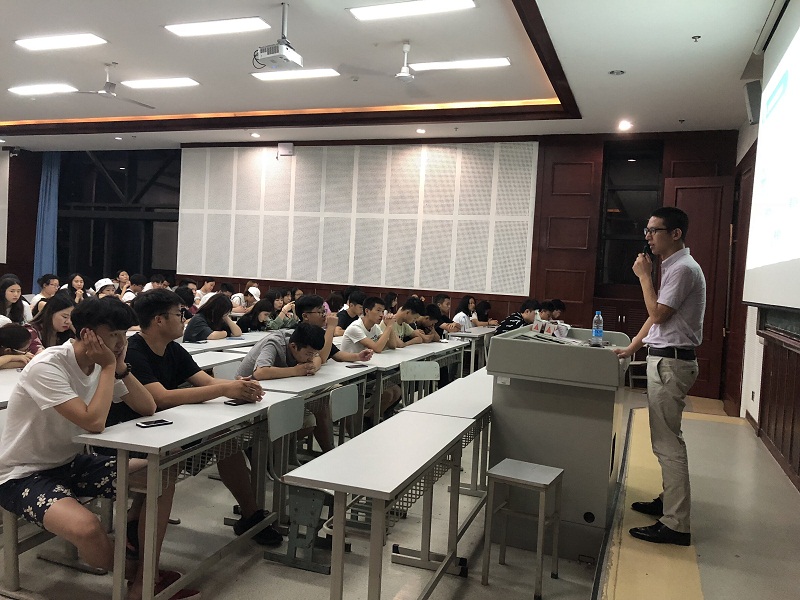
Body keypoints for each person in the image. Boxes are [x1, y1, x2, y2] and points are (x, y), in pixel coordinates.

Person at [0, 297, 195, 600]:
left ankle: (145, 580)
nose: (121, 342)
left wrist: (120, 368)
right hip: (22, 475)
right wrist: (108, 368)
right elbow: (94, 422)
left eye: (124, 334)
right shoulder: (48, 366)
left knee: (164, 468)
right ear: (87, 333)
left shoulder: (101, 365)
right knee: (89, 529)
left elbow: (147, 406)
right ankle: (141, 576)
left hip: (71, 463)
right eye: (113, 334)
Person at [117, 289, 283, 548]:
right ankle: (135, 523)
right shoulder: (134, 352)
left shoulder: (172, 348)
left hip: (167, 427)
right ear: (159, 320)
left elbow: (205, 381)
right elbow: (160, 398)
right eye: (179, 314)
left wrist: (238, 386)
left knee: (224, 437)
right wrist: (224, 389)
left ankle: (250, 514)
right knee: (169, 458)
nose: (184, 319)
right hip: (132, 434)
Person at [613, 207, 705, 547]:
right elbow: (656, 319)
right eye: (647, 231)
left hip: (671, 363)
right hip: (666, 360)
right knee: (665, 440)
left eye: (655, 230)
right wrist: (632, 347)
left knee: (668, 444)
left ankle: (676, 524)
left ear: (675, 233)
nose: (648, 237)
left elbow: (658, 313)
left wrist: (643, 277)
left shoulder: (682, 269)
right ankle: (669, 502)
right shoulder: (674, 266)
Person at [341, 297, 402, 421]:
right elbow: (378, 348)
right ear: (367, 311)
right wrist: (389, 327)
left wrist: (389, 326)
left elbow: (392, 345)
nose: (381, 314)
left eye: (383, 311)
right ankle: (369, 419)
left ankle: (369, 418)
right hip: (350, 371)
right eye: (378, 310)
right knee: (388, 392)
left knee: (396, 391)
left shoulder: (374, 327)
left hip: (366, 367)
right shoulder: (355, 328)